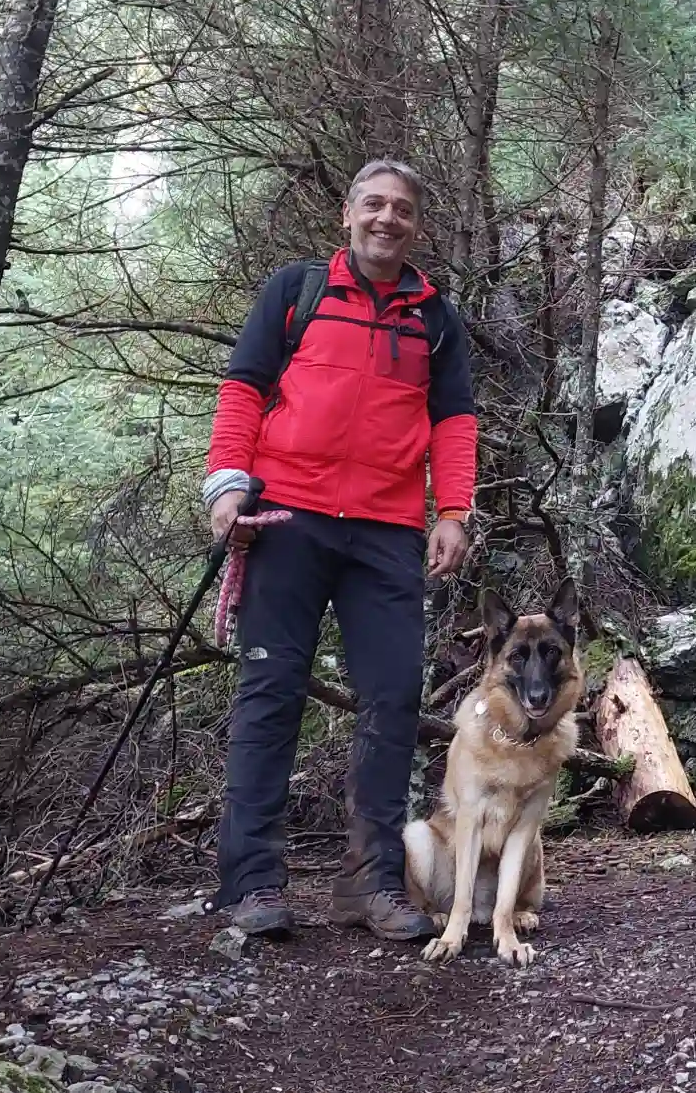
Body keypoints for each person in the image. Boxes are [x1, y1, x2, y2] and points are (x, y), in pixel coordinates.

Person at [200, 159, 476, 941]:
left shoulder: (436, 320)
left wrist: (452, 510)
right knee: (270, 694)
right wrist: (226, 489)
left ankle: (374, 886)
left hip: (387, 532)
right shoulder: (296, 293)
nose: (388, 219)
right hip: (286, 517)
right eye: (374, 205)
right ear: (347, 216)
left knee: (391, 700)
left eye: (403, 210)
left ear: (417, 226)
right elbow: (244, 388)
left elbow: (454, 422)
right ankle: (251, 885)